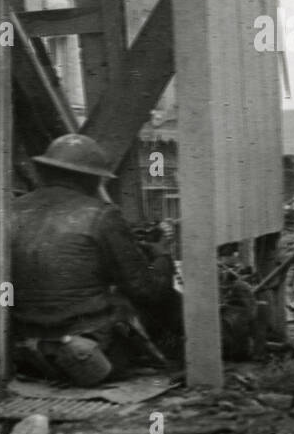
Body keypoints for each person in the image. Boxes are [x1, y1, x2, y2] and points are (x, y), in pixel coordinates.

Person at [10, 134, 182, 387]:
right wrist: (163, 255)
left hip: (25, 340)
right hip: (88, 344)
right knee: (158, 298)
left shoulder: (13, 209)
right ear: (92, 178)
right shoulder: (102, 215)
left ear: (45, 171)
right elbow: (146, 291)